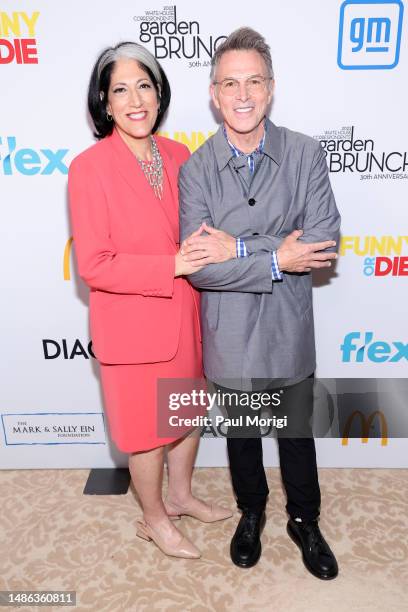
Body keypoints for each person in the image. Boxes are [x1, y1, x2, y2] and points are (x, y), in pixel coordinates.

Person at [179, 28, 340, 578]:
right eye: (230, 83)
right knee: (242, 436)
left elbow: (320, 242)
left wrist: (241, 246)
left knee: (296, 434)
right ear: (213, 93)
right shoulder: (195, 170)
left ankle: (304, 520)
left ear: (271, 89)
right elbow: (202, 267)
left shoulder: (305, 153)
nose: (242, 94)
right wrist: (278, 255)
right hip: (229, 332)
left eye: (253, 81)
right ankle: (252, 513)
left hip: (290, 326)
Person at [68, 41, 232, 561]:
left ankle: (180, 496)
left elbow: (198, 230)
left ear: (159, 94)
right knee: (145, 434)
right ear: (105, 102)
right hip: (133, 328)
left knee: (184, 416)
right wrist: (171, 265)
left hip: (185, 316)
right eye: (121, 89)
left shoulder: (180, 155)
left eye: (145, 85)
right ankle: (154, 517)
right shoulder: (89, 168)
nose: (135, 99)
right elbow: (94, 264)